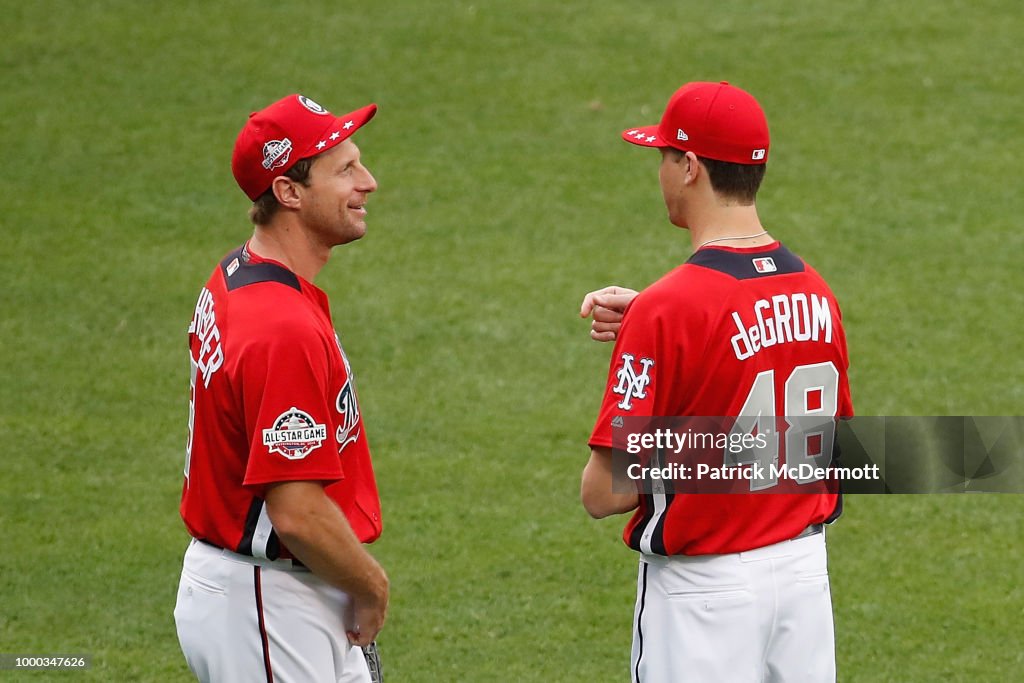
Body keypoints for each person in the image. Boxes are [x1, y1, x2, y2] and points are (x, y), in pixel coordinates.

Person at [578, 81, 853, 682]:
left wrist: (658, 337)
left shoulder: (668, 310)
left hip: (706, 598)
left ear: (691, 168)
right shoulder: (818, 292)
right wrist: (662, 332)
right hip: (805, 584)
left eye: (663, 157)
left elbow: (604, 492)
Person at [173, 93, 388, 683]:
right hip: (268, 604)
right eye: (345, 170)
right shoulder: (280, 329)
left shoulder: (240, 273)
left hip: (277, 591)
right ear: (289, 192)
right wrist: (370, 584)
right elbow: (294, 512)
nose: (368, 183)